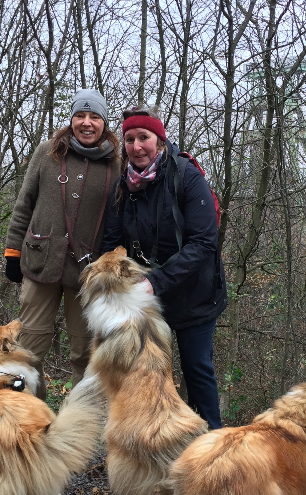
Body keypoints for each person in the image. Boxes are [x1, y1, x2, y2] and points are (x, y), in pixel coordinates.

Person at [101, 106, 227, 428]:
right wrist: (109, 282)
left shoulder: (186, 176)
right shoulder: (123, 186)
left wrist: (157, 282)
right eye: (129, 139)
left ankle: (213, 445)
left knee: (197, 369)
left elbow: (204, 241)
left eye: (144, 137)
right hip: (149, 299)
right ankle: (158, 440)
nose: (136, 146)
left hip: (194, 295)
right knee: (149, 373)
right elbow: (112, 242)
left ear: (159, 139)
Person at [4, 90, 120, 399]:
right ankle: (32, 412)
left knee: (84, 351)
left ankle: (77, 421)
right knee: (28, 346)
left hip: (87, 274)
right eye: (80, 116)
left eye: (94, 117)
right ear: (71, 120)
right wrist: (12, 252)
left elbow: (121, 220)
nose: (86, 123)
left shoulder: (116, 165)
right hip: (39, 261)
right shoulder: (47, 153)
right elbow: (24, 204)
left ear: (104, 123)